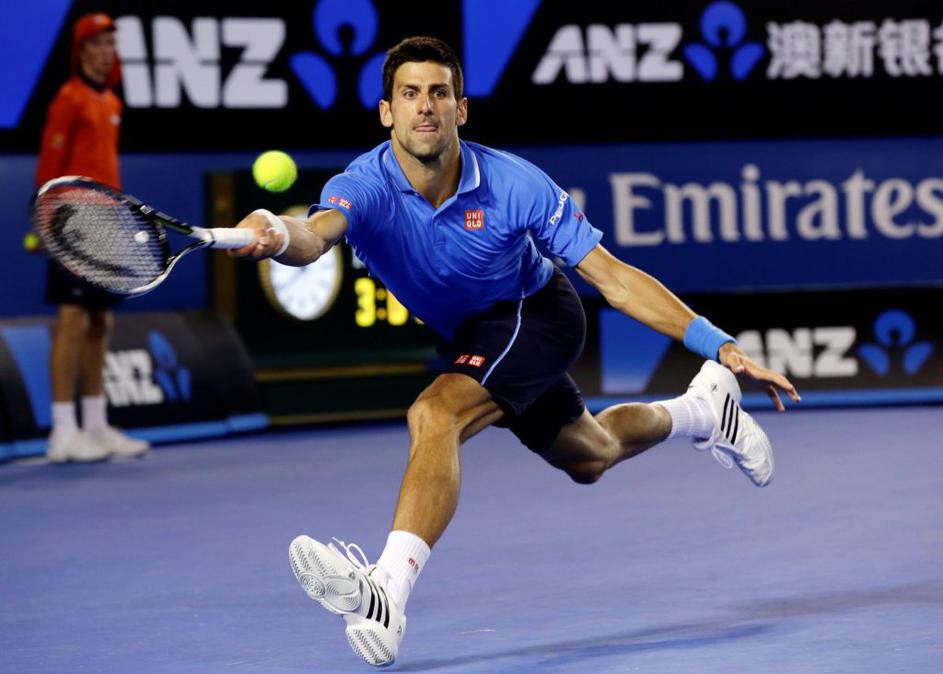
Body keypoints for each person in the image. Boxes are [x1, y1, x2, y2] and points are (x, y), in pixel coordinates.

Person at [233, 37, 801, 667]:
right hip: (473, 337)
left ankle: (387, 591)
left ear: (461, 109)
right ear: (387, 112)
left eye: (439, 93)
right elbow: (315, 235)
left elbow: (613, 279)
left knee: (435, 414)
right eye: (410, 94)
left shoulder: (514, 183)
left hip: (537, 314)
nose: (425, 107)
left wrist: (716, 341)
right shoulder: (363, 185)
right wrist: (276, 231)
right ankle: (703, 411)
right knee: (590, 455)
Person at [36, 12, 149, 463]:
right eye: (98, 44)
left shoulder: (112, 102)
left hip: (107, 220)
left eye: (111, 44)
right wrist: (46, 221)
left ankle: (97, 426)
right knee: (72, 318)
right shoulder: (68, 99)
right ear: (81, 50)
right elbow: (50, 167)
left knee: (101, 322)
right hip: (70, 220)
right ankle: (63, 431)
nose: (106, 52)